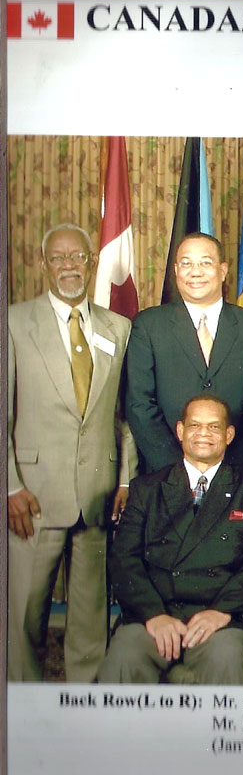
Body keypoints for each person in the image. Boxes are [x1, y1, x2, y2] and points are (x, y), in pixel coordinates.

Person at [7, 224, 137, 682]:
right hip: (32, 497)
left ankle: (86, 703)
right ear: (43, 264)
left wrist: (125, 478)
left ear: (92, 262)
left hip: (98, 493)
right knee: (24, 617)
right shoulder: (14, 323)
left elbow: (124, 414)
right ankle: (22, 704)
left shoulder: (118, 328)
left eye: (77, 257)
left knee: (90, 617)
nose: (68, 266)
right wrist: (9, 487)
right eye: (58, 258)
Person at [97, 395, 243, 684]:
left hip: (223, 621)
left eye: (214, 427)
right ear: (180, 431)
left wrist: (222, 611)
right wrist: (154, 615)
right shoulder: (146, 489)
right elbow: (123, 559)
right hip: (155, 617)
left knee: (226, 657)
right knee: (125, 655)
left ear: (229, 435)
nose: (203, 434)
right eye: (195, 425)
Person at [125, 232, 243, 474]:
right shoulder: (149, 325)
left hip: (238, 473)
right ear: (176, 271)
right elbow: (140, 406)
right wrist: (181, 472)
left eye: (205, 263)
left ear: (223, 270)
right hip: (166, 474)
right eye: (186, 263)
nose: (195, 272)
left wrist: (226, 471)